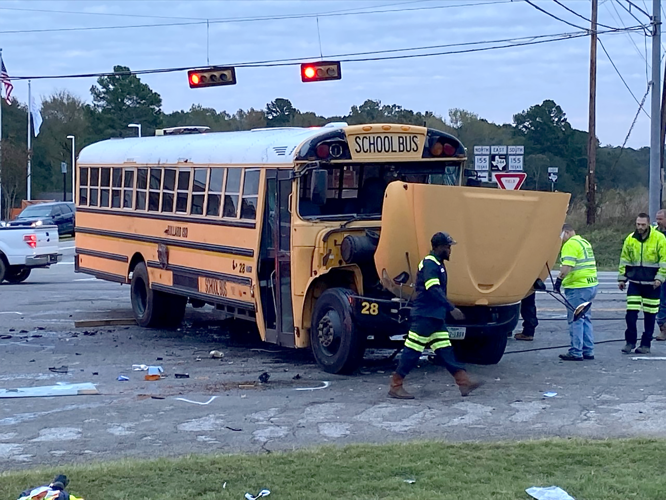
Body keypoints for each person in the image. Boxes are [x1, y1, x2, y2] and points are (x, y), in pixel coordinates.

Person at [388, 231, 483, 399]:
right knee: (412, 351)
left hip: (434, 317)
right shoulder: (430, 264)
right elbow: (433, 289)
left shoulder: (437, 263)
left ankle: (464, 382)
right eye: (447, 247)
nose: (450, 250)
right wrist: (450, 308)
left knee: (445, 350)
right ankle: (396, 385)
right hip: (425, 316)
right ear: (439, 247)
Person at [618, 213, 666, 354]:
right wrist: (622, 278)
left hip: (652, 285)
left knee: (649, 316)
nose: (640, 227)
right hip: (635, 283)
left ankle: (646, 344)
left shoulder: (659, 239)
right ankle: (630, 342)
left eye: (643, 224)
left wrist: (660, 278)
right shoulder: (630, 239)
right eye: (638, 224)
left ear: (649, 224)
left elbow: (664, 261)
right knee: (631, 315)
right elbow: (624, 258)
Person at [555, 224, 598, 361]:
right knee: (585, 318)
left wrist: (559, 281)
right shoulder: (584, 242)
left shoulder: (570, 244)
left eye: (561, 235)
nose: (560, 239)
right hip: (590, 285)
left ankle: (576, 351)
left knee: (576, 319)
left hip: (577, 287)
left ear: (566, 232)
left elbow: (567, 266)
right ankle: (588, 350)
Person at [654, 209, 666, 340]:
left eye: (660, 219)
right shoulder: (655, 234)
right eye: (657, 219)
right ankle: (663, 328)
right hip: (661, 273)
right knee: (662, 302)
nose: (658, 222)